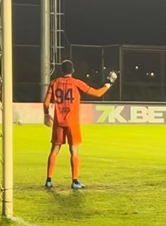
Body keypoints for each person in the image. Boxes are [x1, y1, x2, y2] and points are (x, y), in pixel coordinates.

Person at [43, 60, 117, 189]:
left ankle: (49, 180)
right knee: (74, 151)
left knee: (54, 150)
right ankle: (74, 181)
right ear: (72, 70)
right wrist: (109, 84)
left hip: (58, 122)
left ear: (62, 71)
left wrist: (46, 114)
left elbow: (46, 103)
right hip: (72, 122)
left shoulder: (54, 83)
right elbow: (97, 93)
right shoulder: (76, 83)